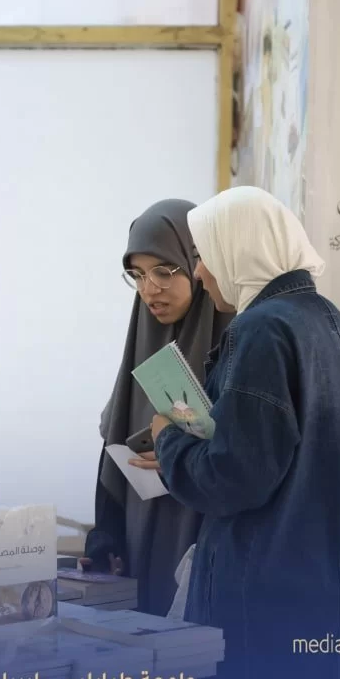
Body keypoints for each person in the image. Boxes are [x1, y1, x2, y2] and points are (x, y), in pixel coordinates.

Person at [135, 187, 340, 679]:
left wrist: (169, 438)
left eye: (205, 254)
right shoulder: (336, 324)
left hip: (273, 601)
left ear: (241, 248)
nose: (201, 273)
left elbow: (233, 478)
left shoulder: (261, 330)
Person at [82, 199, 234, 617]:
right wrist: (105, 540)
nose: (149, 289)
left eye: (164, 271)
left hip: (204, 548)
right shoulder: (142, 341)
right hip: (135, 551)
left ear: (198, 262)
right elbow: (113, 449)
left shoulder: (242, 345)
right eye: (137, 275)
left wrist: (181, 454)